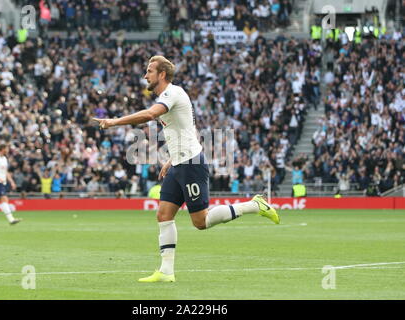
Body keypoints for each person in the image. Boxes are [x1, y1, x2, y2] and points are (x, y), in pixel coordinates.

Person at [93, 56, 280, 283]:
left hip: (191, 164)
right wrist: (172, 159)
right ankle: (166, 272)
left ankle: (254, 204)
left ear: (162, 74)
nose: (145, 75)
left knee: (200, 222)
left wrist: (114, 121)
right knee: (163, 214)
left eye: (150, 71)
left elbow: (150, 115)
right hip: (179, 163)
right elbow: (185, 129)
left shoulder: (172, 93)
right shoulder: (169, 96)